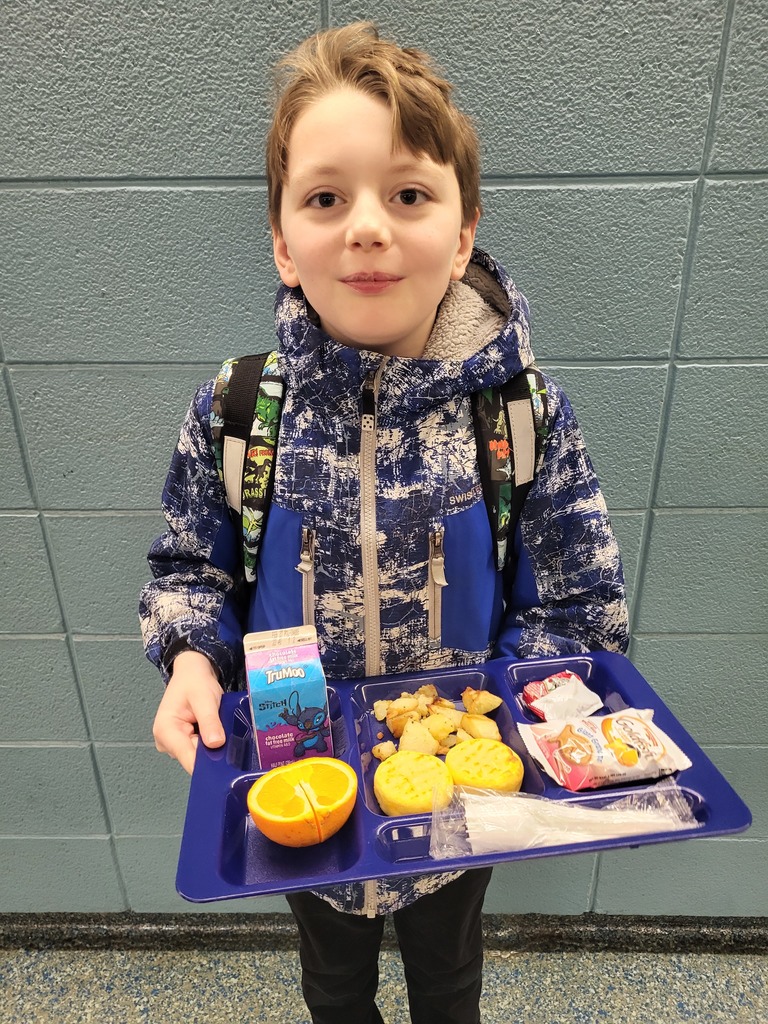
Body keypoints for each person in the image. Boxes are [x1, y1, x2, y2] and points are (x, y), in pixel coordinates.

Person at [140, 22, 629, 1024]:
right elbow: (192, 570)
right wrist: (192, 659)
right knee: (333, 986)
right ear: (281, 238)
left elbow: (582, 609)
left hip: (462, 812)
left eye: (408, 194)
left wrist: (509, 713)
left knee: (449, 983)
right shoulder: (237, 414)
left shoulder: (522, 416)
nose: (367, 226)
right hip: (302, 787)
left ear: (462, 233)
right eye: (326, 197)